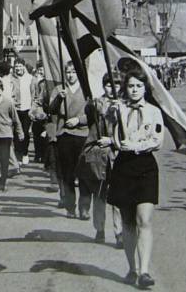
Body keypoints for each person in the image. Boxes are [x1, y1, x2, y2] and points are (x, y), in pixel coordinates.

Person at [106, 65, 164, 290]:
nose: (134, 90)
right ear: (125, 88)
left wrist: (138, 146)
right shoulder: (118, 109)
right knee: (128, 222)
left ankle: (145, 271)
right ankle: (133, 268)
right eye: (130, 86)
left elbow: (157, 140)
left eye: (139, 86)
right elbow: (115, 137)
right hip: (124, 166)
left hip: (145, 166)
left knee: (145, 220)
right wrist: (111, 117)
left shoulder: (153, 111)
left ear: (145, 88)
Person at [80, 71, 123, 246]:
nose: (113, 89)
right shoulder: (98, 102)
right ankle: (100, 228)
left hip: (118, 154)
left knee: (118, 197)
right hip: (100, 156)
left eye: (117, 85)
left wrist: (112, 140)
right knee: (99, 195)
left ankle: (119, 232)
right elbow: (90, 112)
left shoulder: (125, 105)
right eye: (108, 85)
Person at [49, 61, 91, 219]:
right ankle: (70, 207)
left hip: (83, 135)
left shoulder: (87, 90)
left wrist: (79, 120)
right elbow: (51, 110)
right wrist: (59, 99)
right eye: (68, 72)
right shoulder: (59, 89)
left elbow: (93, 113)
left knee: (85, 174)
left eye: (73, 72)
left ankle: (84, 208)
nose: (70, 75)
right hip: (64, 135)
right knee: (67, 174)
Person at [0, 78, 23, 191]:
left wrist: (20, 132)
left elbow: (15, 119)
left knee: (4, 159)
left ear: (2, 90)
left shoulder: (8, 103)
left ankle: (3, 182)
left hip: (6, 135)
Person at [12, 58, 34, 165]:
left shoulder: (30, 78)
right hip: (15, 109)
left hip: (27, 109)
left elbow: (34, 94)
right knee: (16, 132)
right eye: (16, 66)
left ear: (24, 67)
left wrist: (32, 108)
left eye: (20, 66)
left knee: (25, 132)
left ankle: (25, 152)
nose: (18, 68)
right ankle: (18, 154)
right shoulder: (11, 78)